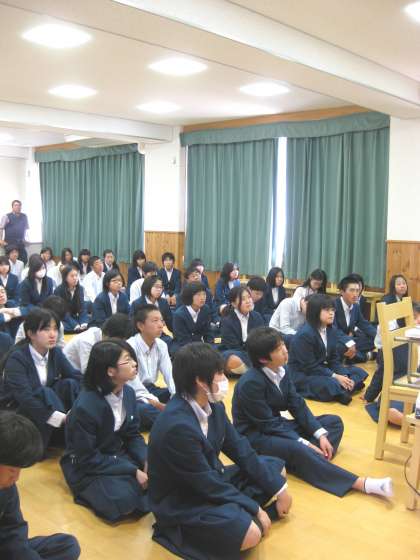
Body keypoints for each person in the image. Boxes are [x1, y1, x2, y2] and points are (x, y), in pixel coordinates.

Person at [148, 342, 292, 560]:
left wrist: (280, 489)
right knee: (251, 535)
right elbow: (205, 484)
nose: (224, 378)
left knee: (276, 469)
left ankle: (239, 515)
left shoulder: (214, 406)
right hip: (182, 498)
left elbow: (240, 448)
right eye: (219, 373)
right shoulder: (177, 426)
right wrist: (256, 509)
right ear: (200, 380)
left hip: (211, 478)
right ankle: (239, 519)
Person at [232, 327, 393, 499]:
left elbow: (297, 405)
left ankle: (305, 461)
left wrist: (320, 435)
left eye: (283, 345)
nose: (285, 350)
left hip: (277, 427)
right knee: (298, 447)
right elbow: (268, 424)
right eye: (278, 349)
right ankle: (362, 483)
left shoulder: (281, 370)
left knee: (333, 423)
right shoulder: (251, 383)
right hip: (256, 437)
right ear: (263, 359)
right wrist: (305, 443)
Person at [60, 340, 149, 522]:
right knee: (123, 499)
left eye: (133, 358)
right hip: (88, 465)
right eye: (127, 360)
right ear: (110, 371)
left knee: (163, 471)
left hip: (116, 454)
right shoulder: (86, 406)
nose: (134, 364)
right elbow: (87, 457)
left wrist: (146, 459)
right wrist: (133, 470)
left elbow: (132, 435)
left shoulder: (128, 393)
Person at [0, 411, 81, 559]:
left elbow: (14, 530)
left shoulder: (6, 487)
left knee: (67, 545)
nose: (16, 478)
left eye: (20, 470)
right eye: (12, 470)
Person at [0, 308, 82, 450]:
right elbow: (24, 397)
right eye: (46, 329)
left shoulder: (55, 352)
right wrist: (59, 418)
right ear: (31, 333)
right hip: (16, 411)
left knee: (70, 384)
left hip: (47, 408)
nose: (53, 334)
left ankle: (76, 430)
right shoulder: (17, 358)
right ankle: (67, 437)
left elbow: (77, 377)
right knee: (45, 392)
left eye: (55, 329)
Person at [287, 294, 367, 405]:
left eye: (333, 310)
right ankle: (344, 389)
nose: (331, 313)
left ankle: (344, 388)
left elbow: (334, 359)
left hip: (322, 368)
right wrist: (335, 376)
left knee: (358, 372)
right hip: (304, 374)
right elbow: (310, 367)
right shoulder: (304, 335)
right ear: (315, 312)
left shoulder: (331, 330)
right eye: (327, 310)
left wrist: (344, 375)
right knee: (331, 384)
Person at [363, 302, 420, 425]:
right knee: (392, 412)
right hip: (401, 386)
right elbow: (383, 372)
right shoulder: (394, 340)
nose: (418, 321)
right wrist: (369, 395)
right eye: (416, 318)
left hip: (415, 384)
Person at [127, 305, 175, 429]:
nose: (161, 325)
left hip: (151, 389)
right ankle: (175, 418)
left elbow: (169, 374)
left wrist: (177, 396)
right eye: (155, 321)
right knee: (145, 411)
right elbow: (135, 388)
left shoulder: (161, 345)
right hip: (132, 393)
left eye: (161, 320)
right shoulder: (130, 346)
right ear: (140, 326)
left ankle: (172, 417)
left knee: (186, 393)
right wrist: (159, 405)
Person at [64, 313, 133, 374]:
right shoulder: (87, 341)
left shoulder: (104, 337)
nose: (119, 345)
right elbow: (88, 372)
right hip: (72, 375)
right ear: (107, 335)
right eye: (118, 342)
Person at [220, 286, 264, 375]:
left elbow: (262, 339)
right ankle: (256, 370)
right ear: (233, 304)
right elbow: (232, 346)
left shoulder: (257, 316)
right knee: (232, 358)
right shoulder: (227, 321)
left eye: (249, 297)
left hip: (255, 352)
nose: (248, 301)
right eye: (243, 299)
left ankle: (251, 370)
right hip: (238, 352)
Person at [333, 276, 376, 363]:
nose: (355, 294)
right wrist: (349, 342)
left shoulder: (355, 306)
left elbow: (364, 324)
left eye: (357, 290)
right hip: (335, 340)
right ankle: (364, 356)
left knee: (374, 340)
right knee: (342, 347)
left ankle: (349, 358)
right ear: (342, 292)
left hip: (349, 340)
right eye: (352, 290)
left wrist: (379, 336)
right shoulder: (333, 305)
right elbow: (333, 330)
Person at [130, 275, 173, 348]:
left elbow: (170, 322)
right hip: (143, 336)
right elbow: (133, 326)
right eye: (156, 287)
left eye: (161, 287)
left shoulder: (163, 302)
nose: (159, 290)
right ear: (148, 287)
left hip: (161, 335)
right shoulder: (137, 304)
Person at [172, 282, 214, 354]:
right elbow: (183, 340)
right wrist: (202, 350)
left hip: (200, 346)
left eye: (204, 294)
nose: (202, 297)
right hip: (183, 348)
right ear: (189, 296)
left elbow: (208, 332)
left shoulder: (205, 309)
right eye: (198, 295)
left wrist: (210, 347)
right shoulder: (179, 315)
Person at [54, 265, 89, 333]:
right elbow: (62, 312)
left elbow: (82, 307)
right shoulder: (58, 290)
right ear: (65, 278)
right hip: (64, 318)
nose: (75, 278)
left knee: (90, 322)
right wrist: (74, 324)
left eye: (76, 275)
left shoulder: (80, 289)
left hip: (75, 317)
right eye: (72, 276)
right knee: (61, 325)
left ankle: (78, 327)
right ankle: (76, 328)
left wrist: (84, 322)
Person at [0, 200, 29, 264]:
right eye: (16, 205)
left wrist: (24, 239)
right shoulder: (6, 216)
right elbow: (1, 228)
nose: (18, 207)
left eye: (19, 205)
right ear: (12, 207)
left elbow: (25, 229)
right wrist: (1, 240)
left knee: (24, 259)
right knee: (10, 261)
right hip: (10, 243)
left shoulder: (24, 216)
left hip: (20, 242)